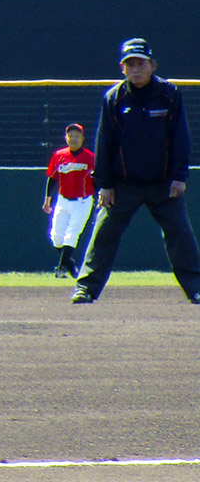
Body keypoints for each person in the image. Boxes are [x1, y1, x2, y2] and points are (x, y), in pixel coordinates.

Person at [71, 38, 200, 305]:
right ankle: (86, 288)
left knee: (179, 234)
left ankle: (196, 288)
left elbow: (180, 138)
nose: (136, 70)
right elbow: (104, 143)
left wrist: (179, 176)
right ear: (122, 68)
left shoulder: (169, 94)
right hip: (123, 184)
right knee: (104, 233)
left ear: (152, 65)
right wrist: (105, 184)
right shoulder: (114, 98)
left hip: (163, 184)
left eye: (140, 63)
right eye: (130, 64)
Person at [42, 122, 95, 278]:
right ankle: (70, 265)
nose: (73, 139)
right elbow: (52, 178)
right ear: (66, 138)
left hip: (82, 201)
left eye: (77, 136)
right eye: (70, 136)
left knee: (72, 234)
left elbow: (97, 179)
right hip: (63, 200)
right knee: (56, 237)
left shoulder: (90, 157)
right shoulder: (59, 155)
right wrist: (47, 199)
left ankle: (61, 268)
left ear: (82, 138)